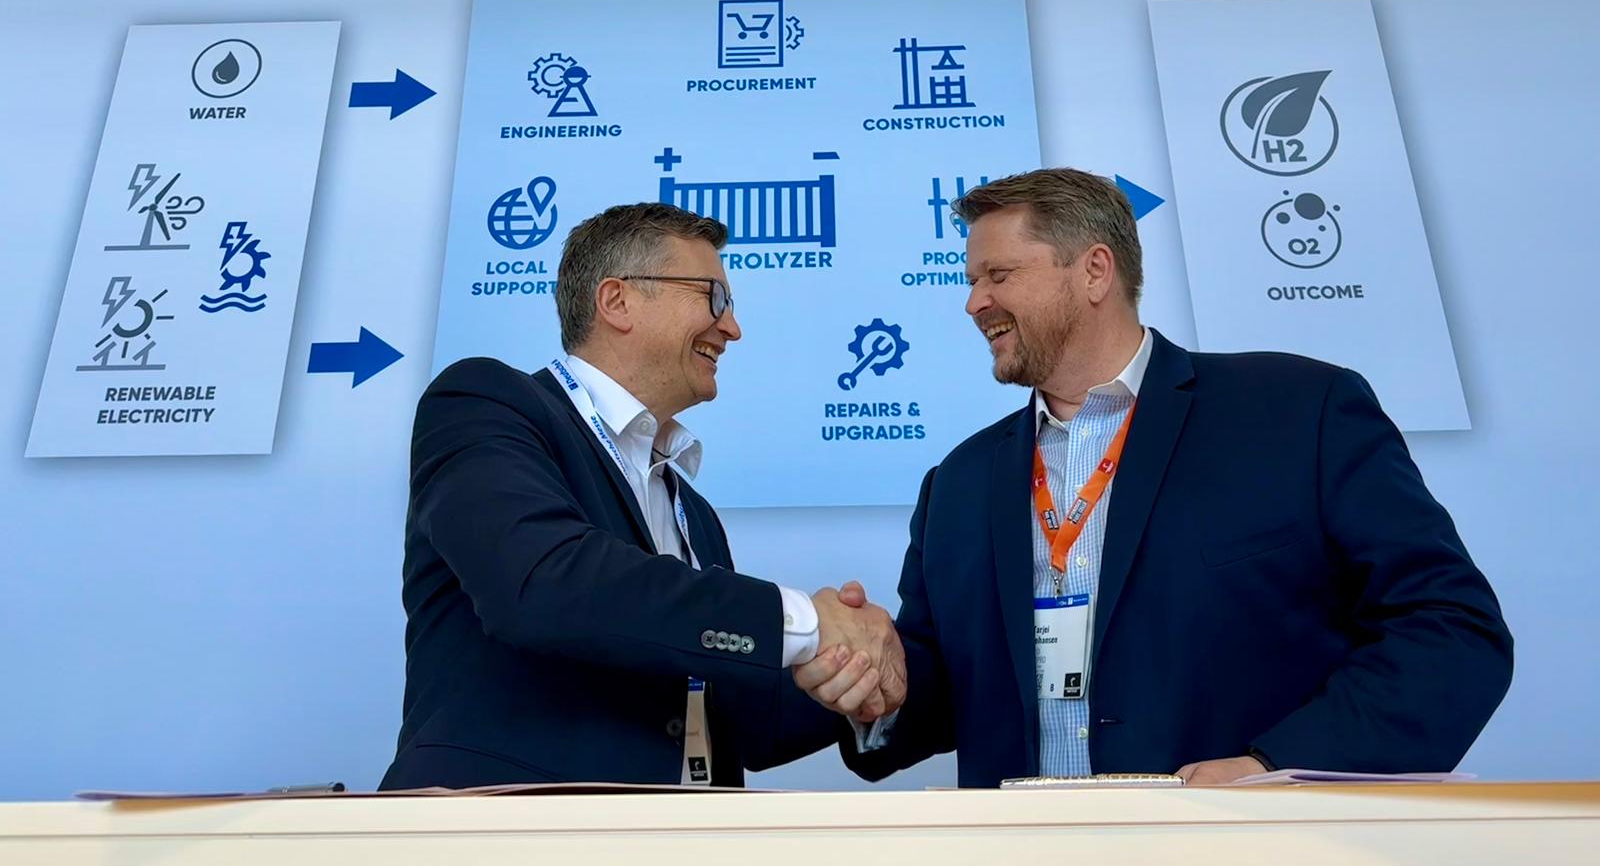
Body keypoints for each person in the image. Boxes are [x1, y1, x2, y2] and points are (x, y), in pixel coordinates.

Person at [796, 169, 1512, 786]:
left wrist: (1275, 769)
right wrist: (876, 683)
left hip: (1247, 847)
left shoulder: (1298, 413)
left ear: (1095, 271)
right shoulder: (958, 482)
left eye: (998, 276)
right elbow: (943, 693)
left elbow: (1450, 630)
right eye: (971, 281)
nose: (974, 302)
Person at [382, 202, 904, 789]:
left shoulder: (695, 516)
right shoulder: (486, 404)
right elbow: (545, 584)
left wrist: (857, 676)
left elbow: (744, 716)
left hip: (686, 831)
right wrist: (807, 621)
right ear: (617, 301)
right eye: (714, 297)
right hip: (507, 823)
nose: (731, 328)